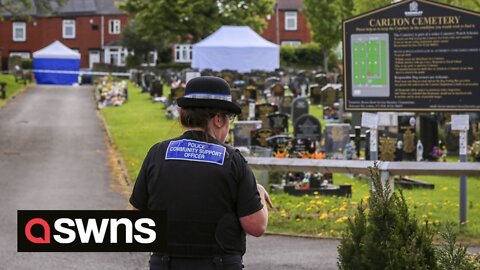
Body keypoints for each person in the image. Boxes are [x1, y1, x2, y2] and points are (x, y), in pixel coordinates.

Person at [130, 76, 273, 270]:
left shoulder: (158, 153)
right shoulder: (232, 160)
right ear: (218, 119)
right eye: (229, 118)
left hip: (166, 263)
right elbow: (256, 226)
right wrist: (259, 195)